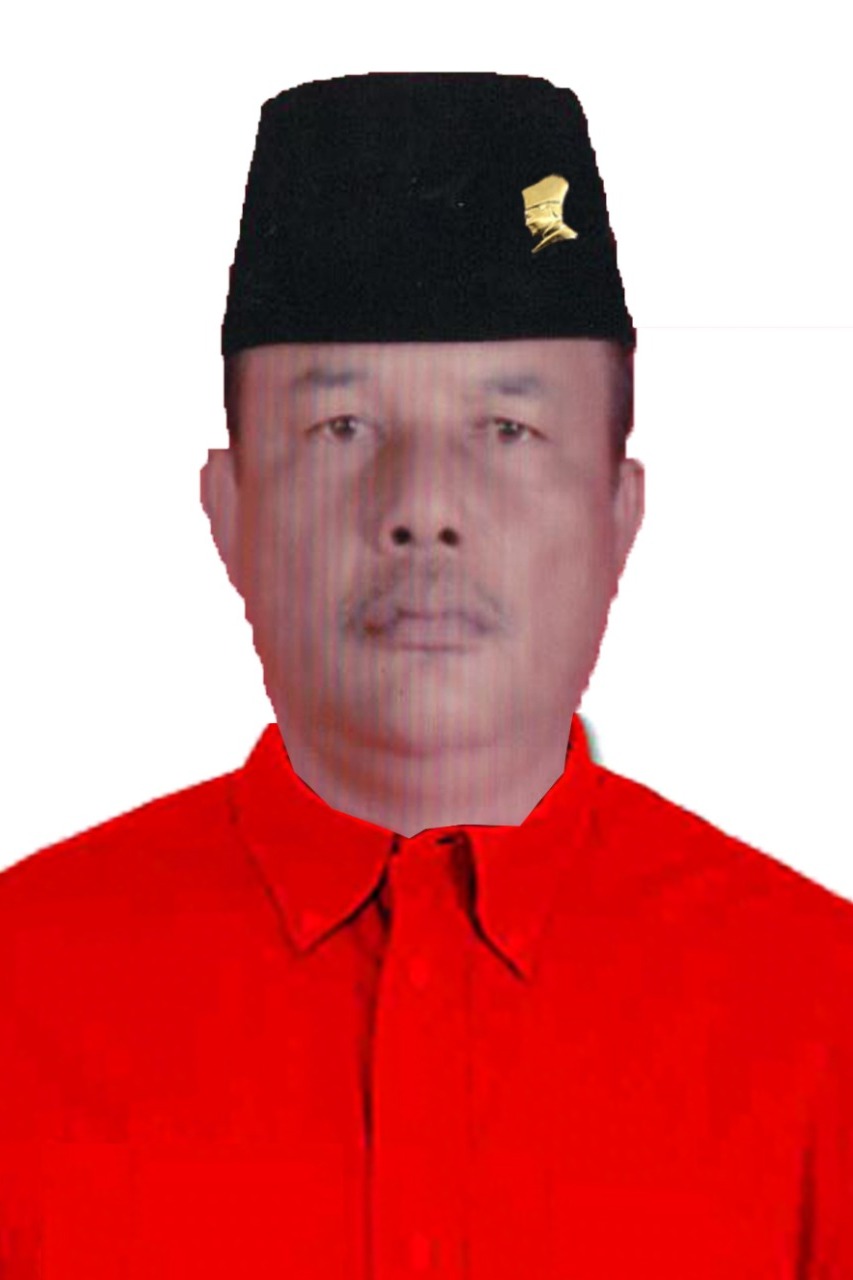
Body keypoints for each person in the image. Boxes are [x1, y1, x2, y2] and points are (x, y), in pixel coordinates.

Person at [0, 72, 850, 1279]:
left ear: (618, 513)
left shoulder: (821, 1017)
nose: (423, 508)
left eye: (507, 430)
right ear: (228, 510)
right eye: (340, 428)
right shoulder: (20, 994)